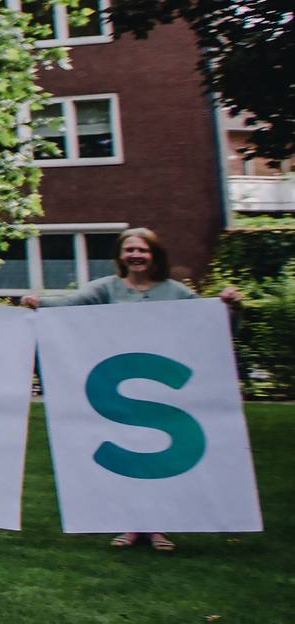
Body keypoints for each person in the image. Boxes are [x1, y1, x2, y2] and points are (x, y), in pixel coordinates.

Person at [22, 226, 243, 553]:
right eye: (130, 250)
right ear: (121, 256)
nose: (136, 255)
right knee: (131, 457)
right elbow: (69, 307)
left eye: (143, 250)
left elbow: (212, 326)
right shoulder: (106, 289)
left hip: (164, 388)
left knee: (160, 459)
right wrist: (39, 303)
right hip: (122, 390)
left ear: (154, 255)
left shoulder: (176, 292)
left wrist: (230, 307)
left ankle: (158, 529)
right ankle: (130, 524)